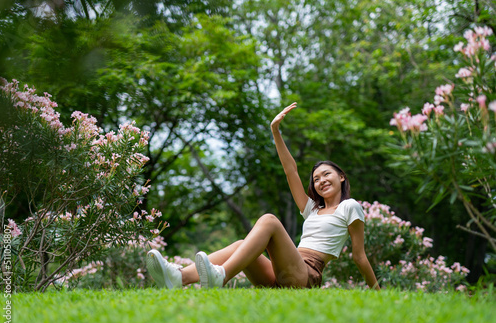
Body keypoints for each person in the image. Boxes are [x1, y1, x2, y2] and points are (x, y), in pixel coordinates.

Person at [146, 102, 380, 290]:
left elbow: (359, 256)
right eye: (316, 179)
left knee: (269, 220)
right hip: (284, 271)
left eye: (326, 174)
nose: (321, 181)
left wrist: (377, 291)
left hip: (306, 275)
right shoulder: (312, 209)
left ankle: (221, 275)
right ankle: (180, 277)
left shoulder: (350, 206)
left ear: (341, 177)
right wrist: (275, 131)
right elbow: (291, 171)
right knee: (240, 244)